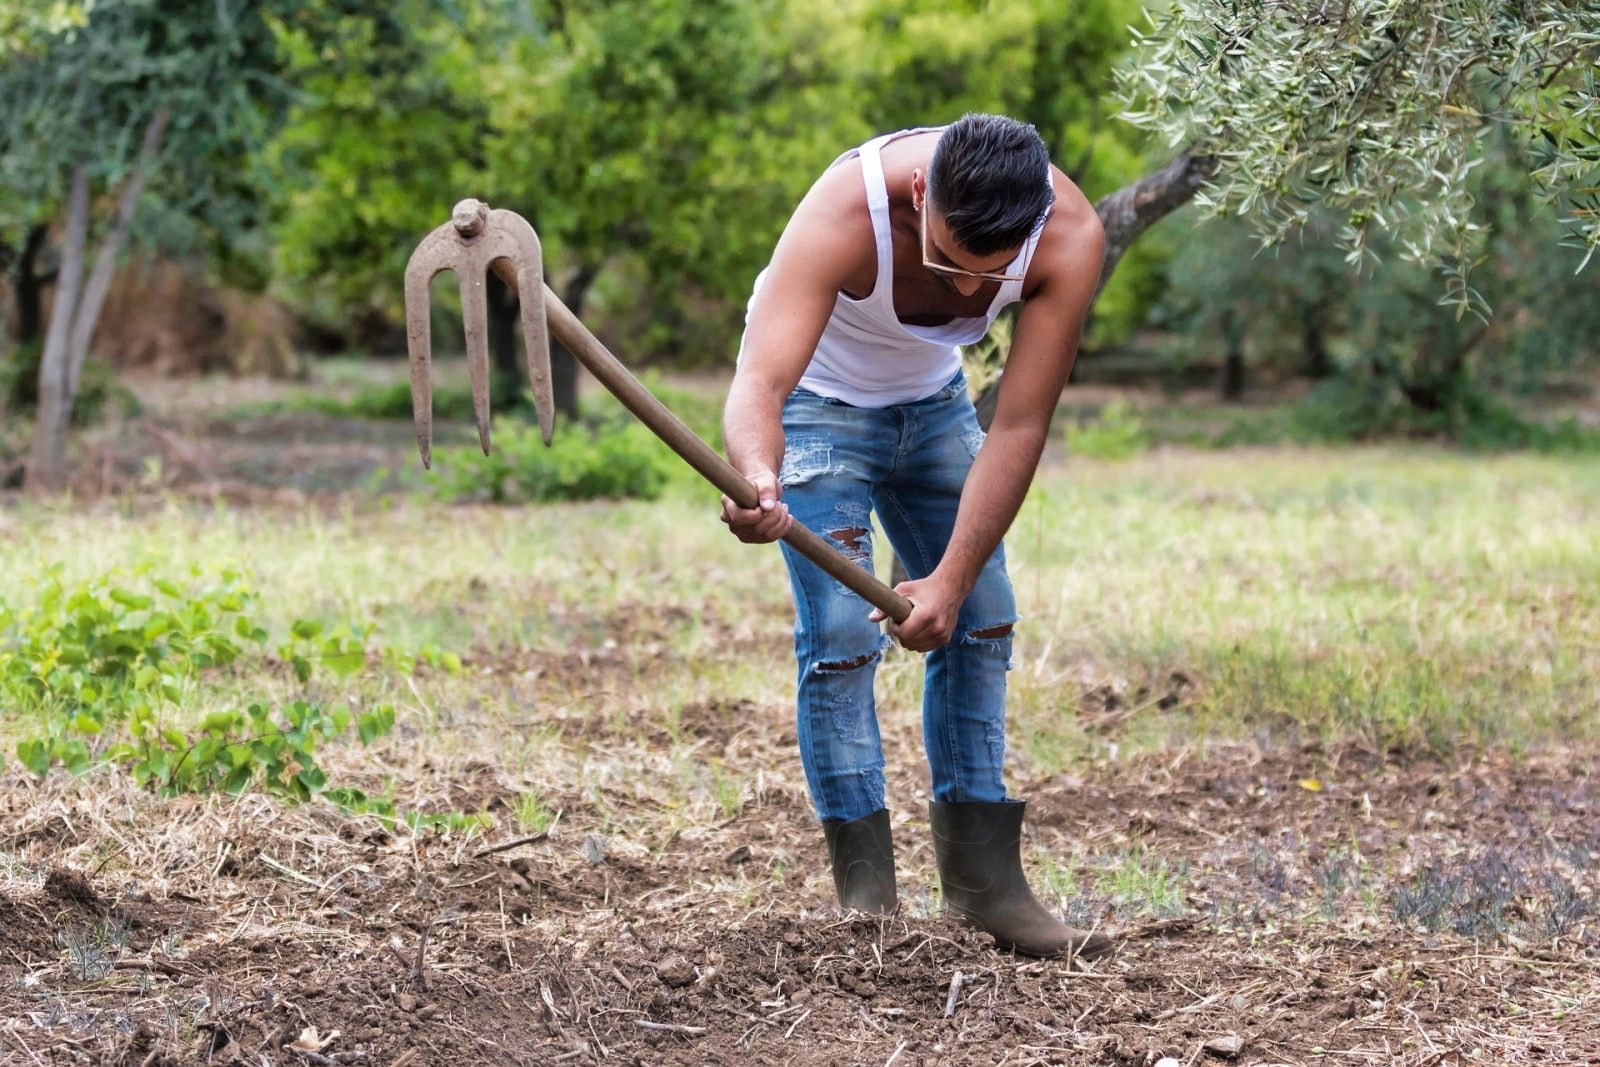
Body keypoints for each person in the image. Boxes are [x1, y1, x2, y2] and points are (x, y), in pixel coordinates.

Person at [720, 114, 1109, 959]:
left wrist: (951, 578)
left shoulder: (1071, 236)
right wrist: (756, 472)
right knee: (842, 633)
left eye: (992, 274)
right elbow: (762, 377)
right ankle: (869, 907)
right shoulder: (846, 209)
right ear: (921, 193)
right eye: (948, 264)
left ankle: (985, 890)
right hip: (817, 402)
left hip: (934, 409)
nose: (971, 295)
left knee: (983, 617)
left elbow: (1017, 427)